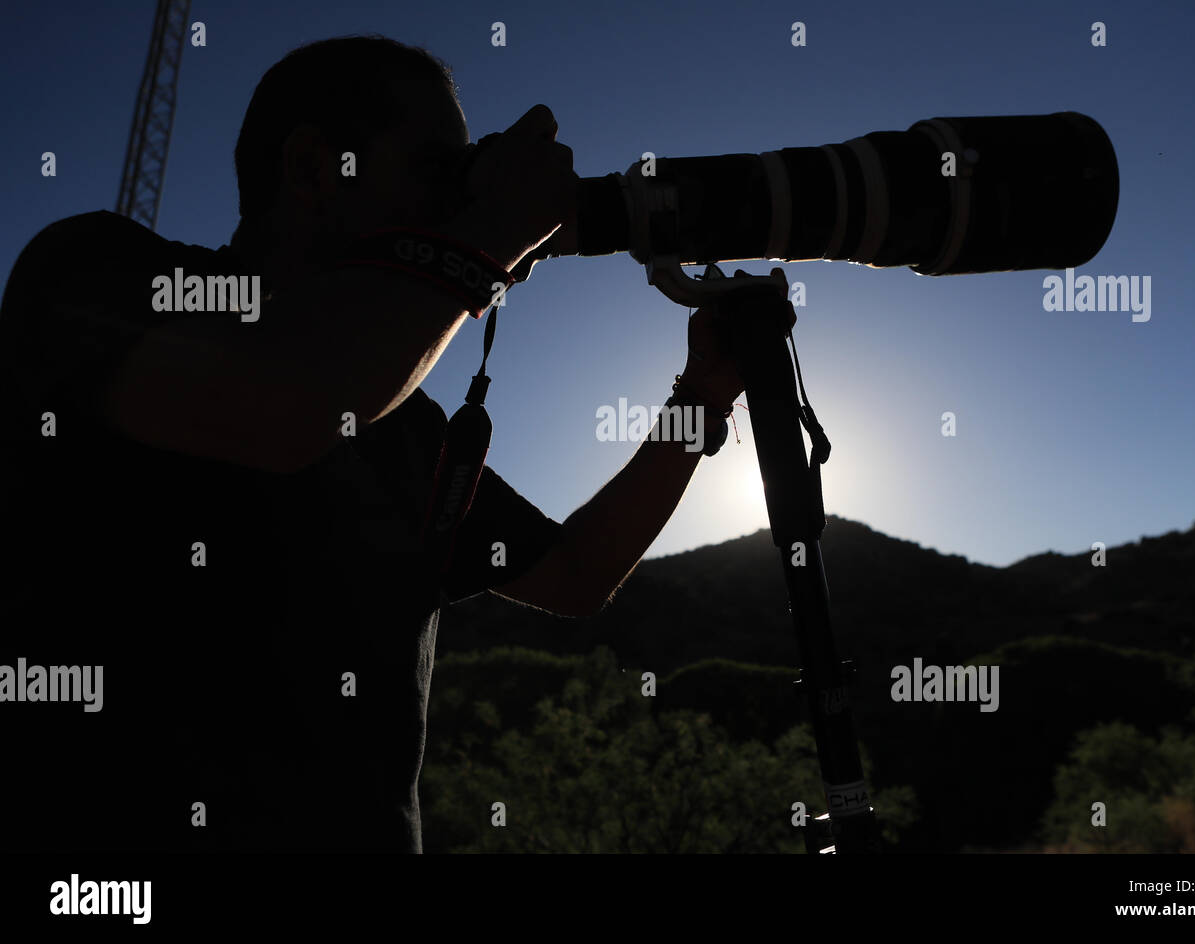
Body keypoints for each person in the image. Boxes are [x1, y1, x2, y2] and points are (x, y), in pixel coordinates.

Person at [0, 35, 755, 852]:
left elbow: (576, 573)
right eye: (437, 169)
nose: (455, 199)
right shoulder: (92, 271)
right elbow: (286, 402)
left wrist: (701, 398)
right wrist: (490, 233)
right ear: (313, 169)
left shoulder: (404, 423)